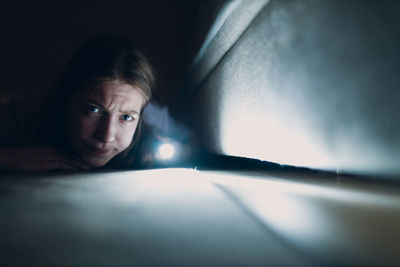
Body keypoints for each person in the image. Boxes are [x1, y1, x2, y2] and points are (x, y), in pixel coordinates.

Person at [0, 34, 156, 172]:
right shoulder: (19, 118)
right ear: (66, 99)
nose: (106, 136)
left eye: (127, 117)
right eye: (93, 109)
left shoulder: (152, 150)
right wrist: (7, 158)